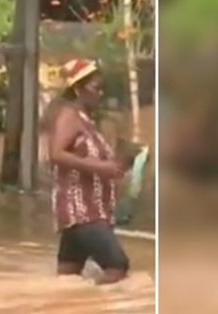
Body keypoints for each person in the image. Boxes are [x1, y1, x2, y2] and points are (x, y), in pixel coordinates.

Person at [45, 59, 130, 285]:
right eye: (95, 87)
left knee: (68, 278)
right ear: (78, 89)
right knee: (117, 266)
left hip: (85, 214)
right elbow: (56, 153)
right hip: (83, 212)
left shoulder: (85, 121)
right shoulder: (69, 116)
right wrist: (101, 167)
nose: (100, 93)